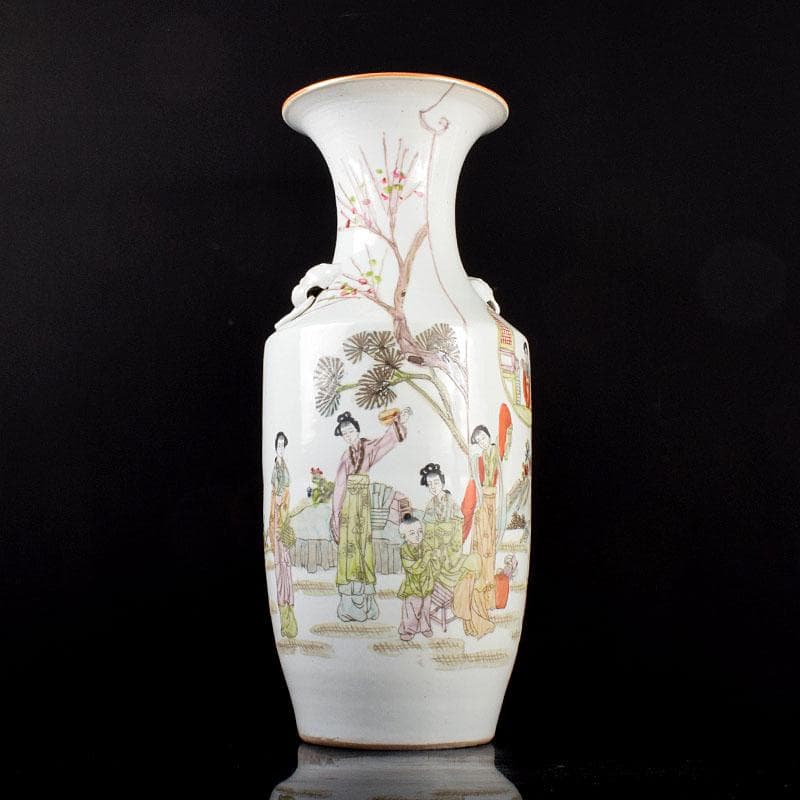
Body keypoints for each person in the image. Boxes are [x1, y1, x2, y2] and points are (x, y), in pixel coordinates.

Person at [330, 408, 411, 622]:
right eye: (344, 434)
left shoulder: (368, 448)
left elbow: (386, 442)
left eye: (350, 431)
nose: (348, 436)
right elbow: (339, 487)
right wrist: (336, 514)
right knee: (350, 550)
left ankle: (367, 600)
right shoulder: (345, 457)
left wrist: (399, 422)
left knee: (364, 548)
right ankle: (347, 604)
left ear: (357, 430)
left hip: (363, 505)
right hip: (349, 506)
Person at [266, 431, 297, 638]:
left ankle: (288, 617)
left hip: (283, 517)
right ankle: (285, 619)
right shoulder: (276, 468)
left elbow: (284, 492)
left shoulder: (283, 467)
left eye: (283, 445)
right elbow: (275, 497)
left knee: (285, 565)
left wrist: (283, 499)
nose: (280, 448)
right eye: (278, 445)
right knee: (280, 565)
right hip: (277, 519)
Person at [396, 514, 437, 641]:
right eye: (412, 533)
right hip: (412, 586)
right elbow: (414, 569)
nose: (418, 535)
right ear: (404, 536)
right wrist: (426, 558)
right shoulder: (405, 549)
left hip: (426, 583)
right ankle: (409, 629)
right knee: (412, 609)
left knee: (425, 608)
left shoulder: (425, 546)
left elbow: (434, 562)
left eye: (420, 531)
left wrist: (434, 559)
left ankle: (425, 627)